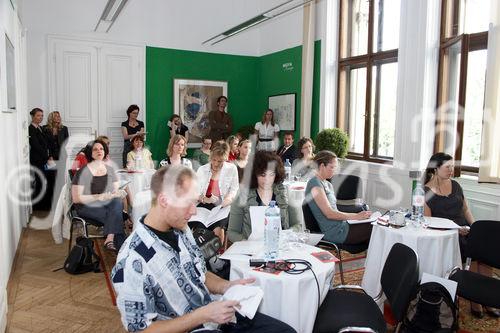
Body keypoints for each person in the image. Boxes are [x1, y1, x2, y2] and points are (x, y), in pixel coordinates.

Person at [111, 165, 296, 333]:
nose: (194, 211)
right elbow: (141, 331)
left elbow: (200, 272)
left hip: (214, 317)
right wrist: (202, 316)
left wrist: (227, 286)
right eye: (188, 203)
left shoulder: (182, 229)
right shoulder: (131, 261)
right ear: (164, 200)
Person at [423, 152, 500, 318]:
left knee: (483, 246)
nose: (452, 170)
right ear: (435, 169)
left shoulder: (456, 185)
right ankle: (476, 300)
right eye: (448, 167)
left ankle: (486, 299)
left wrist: (475, 227)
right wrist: (455, 230)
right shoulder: (426, 191)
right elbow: (428, 222)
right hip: (445, 235)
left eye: (453, 166)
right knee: (474, 252)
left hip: (464, 229)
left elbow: (465, 210)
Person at [228, 151, 301, 242]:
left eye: (271, 174)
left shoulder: (286, 193)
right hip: (251, 250)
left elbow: (298, 225)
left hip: (282, 247)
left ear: (277, 174)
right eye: (262, 175)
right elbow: (232, 232)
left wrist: (287, 234)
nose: (267, 180)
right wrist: (245, 243)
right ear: (254, 174)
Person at [305, 151, 372, 245]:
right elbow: (329, 214)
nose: (335, 170)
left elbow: (334, 209)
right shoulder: (314, 184)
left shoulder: (327, 184)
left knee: (375, 225)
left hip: (342, 225)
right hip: (335, 232)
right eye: (332, 167)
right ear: (321, 166)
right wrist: (356, 216)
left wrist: (357, 217)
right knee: (374, 227)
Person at [71, 139, 126, 252]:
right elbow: (76, 199)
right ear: (90, 153)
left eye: (101, 149)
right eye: (95, 149)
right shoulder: (83, 171)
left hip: (107, 204)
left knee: (116, 202)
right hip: (86, 206)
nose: (99, 151)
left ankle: (110, 240)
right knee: (116, 216)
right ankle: (123, 250)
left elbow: (115, 192)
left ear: (105, 151)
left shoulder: (110, 170)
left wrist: (118, 193)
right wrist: (99, 197)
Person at [195, 142, 239, 242]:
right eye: (214, 160)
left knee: (218, 229)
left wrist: (228, 199)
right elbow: (195, 192)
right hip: (205, 204)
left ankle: (218, 254)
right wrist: (203, 198)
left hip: (223, 205)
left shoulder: (231, 169)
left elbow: (234, 188)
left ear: (225, 159)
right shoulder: (202, 170)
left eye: (220, 161)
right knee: (199, 227)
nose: (215, 164)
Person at [28, 108, 53, 210]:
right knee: (40, 181)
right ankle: (39, 206)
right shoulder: (31, 129)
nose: (41, 118)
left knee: (48, 180)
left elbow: (46, 144)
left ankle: (47, 203)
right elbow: (36, 146)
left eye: (42, 116)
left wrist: (50, 156)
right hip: (38, 160)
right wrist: (47, 157)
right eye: (38, 115)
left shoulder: (40, 128)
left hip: (45, 159)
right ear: (33, 116)